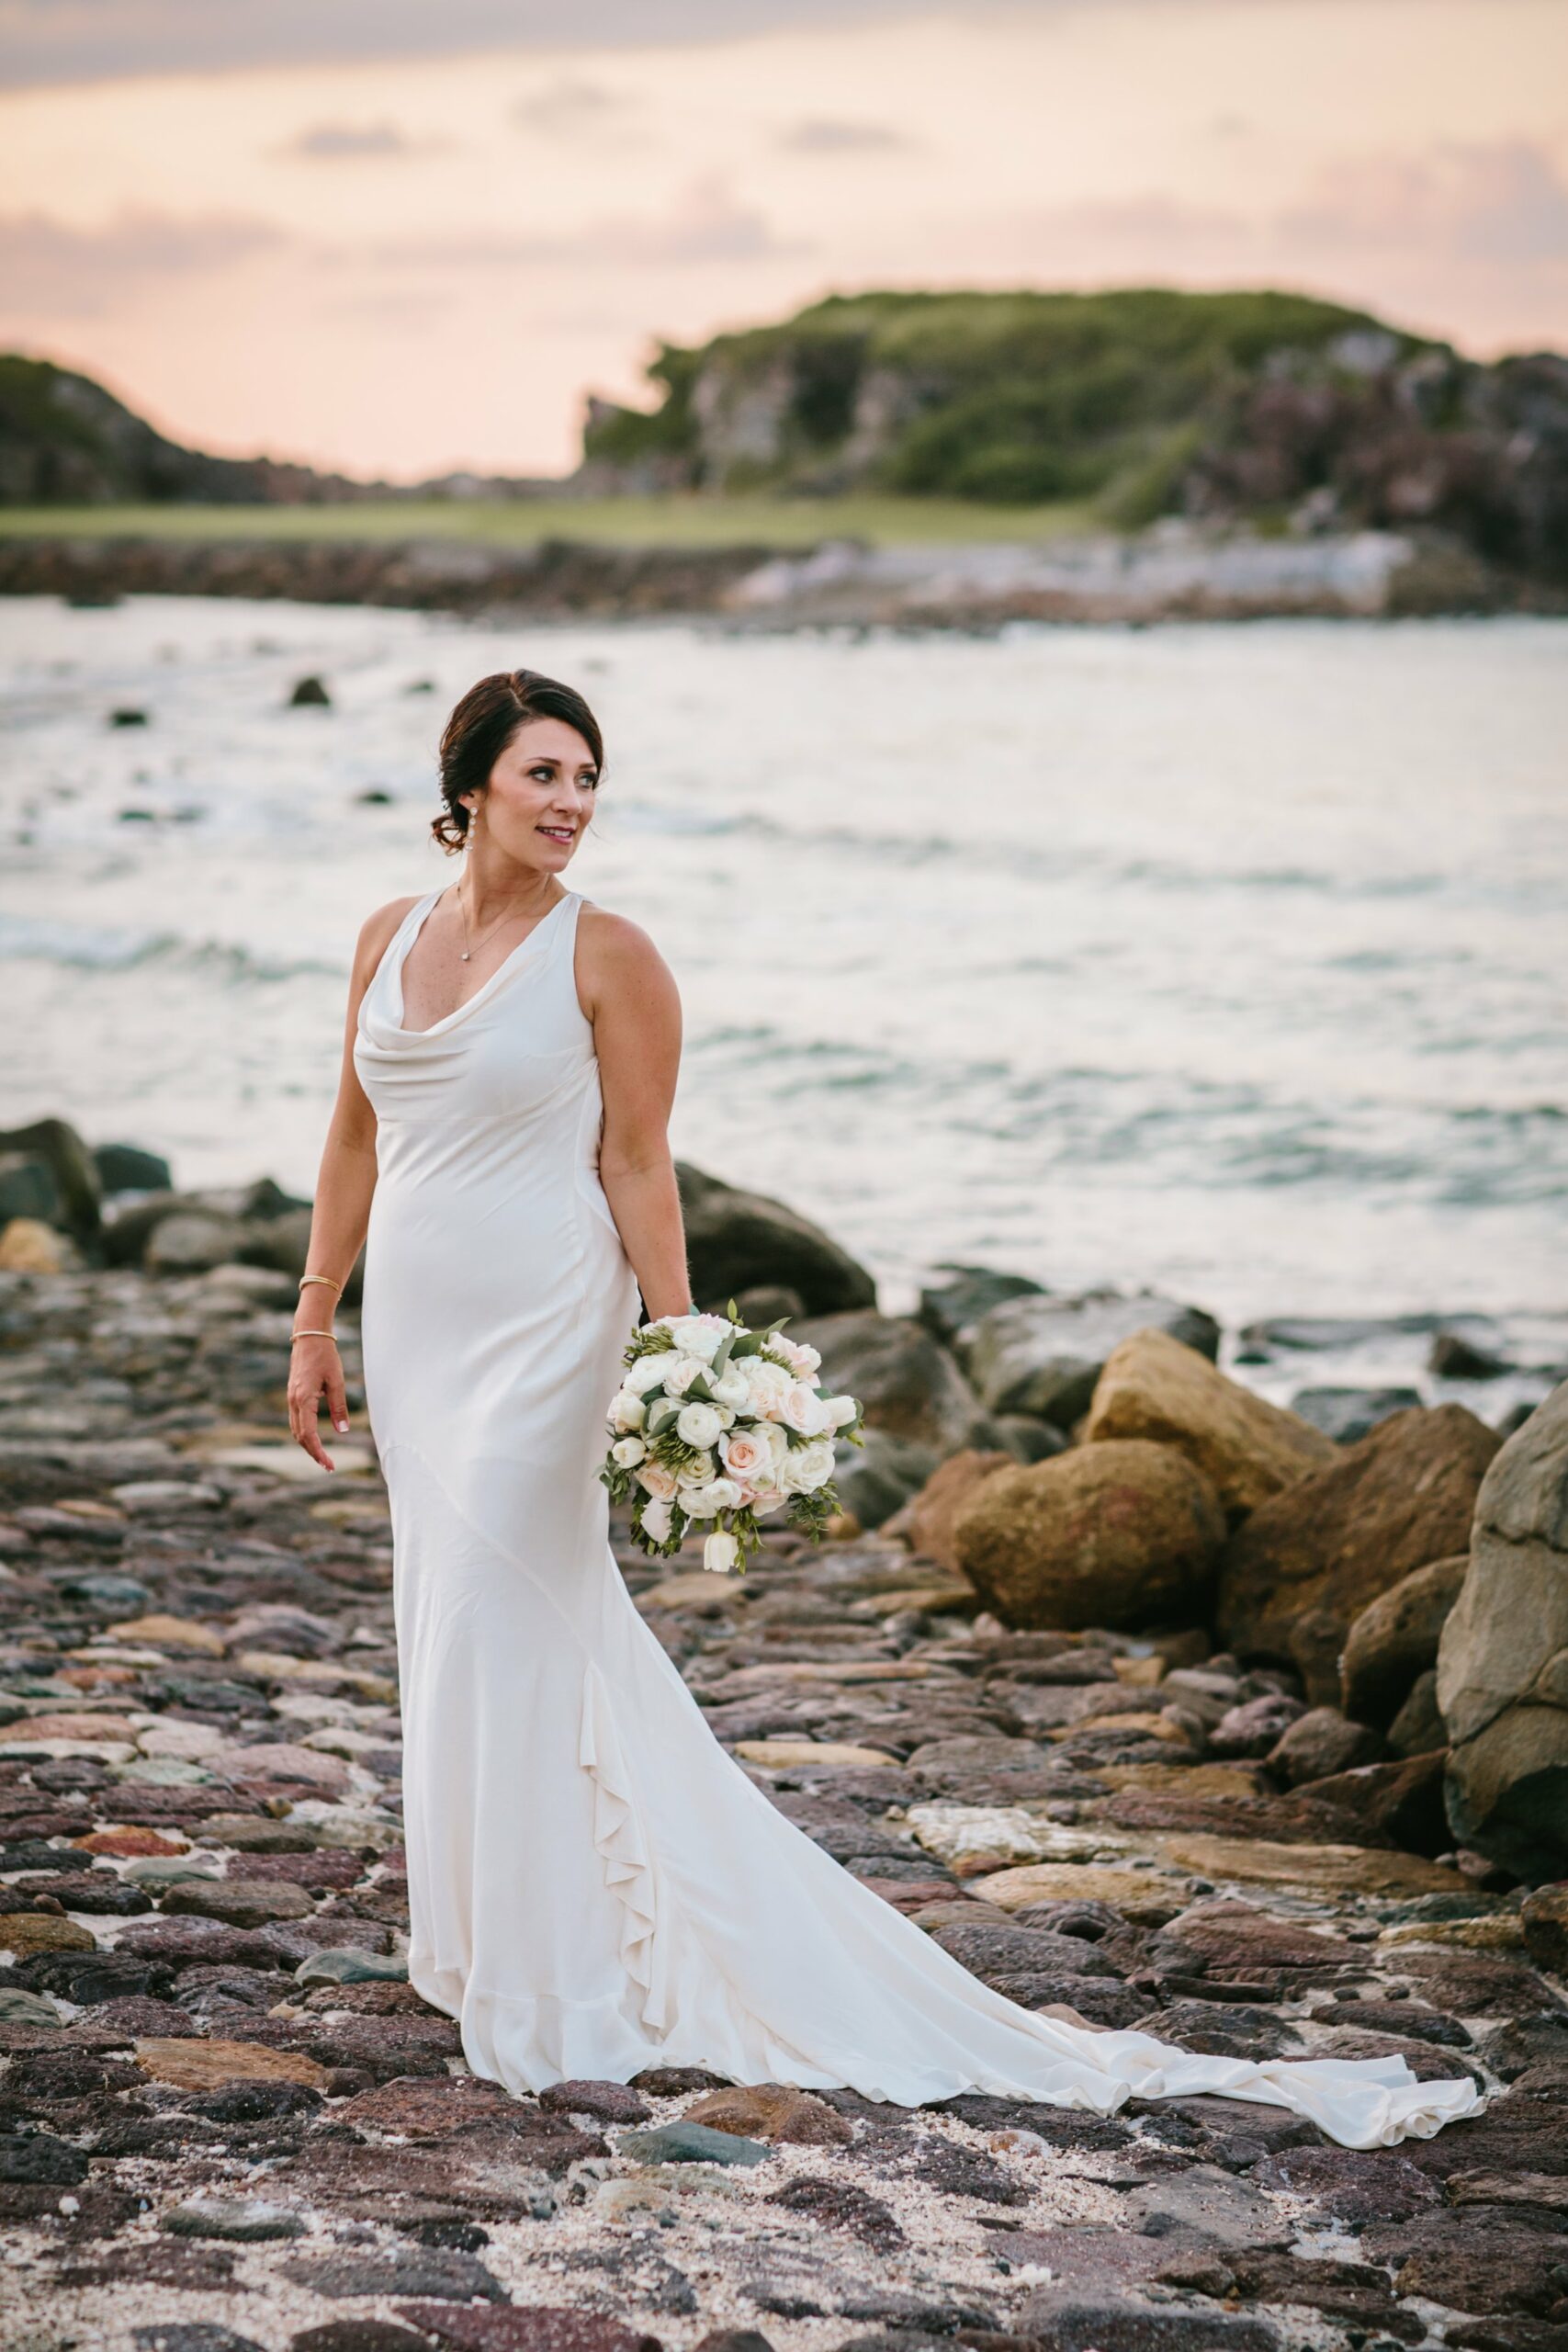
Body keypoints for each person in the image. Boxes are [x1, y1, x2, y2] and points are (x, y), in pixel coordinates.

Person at [287, 665, 1481, 2150]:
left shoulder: (615, 956)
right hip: (415, 1317)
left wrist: (680, 1355)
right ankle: (486, 1930)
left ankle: (557, 1962)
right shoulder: (384, 937)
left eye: (590, 780)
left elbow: (641, 1164)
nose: (574, 806)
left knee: (498, 1597)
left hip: (542, 1322)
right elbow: (351, 1129)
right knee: (450, 1609)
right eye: (546, 777)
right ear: (468, 783)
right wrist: (314, 1311)